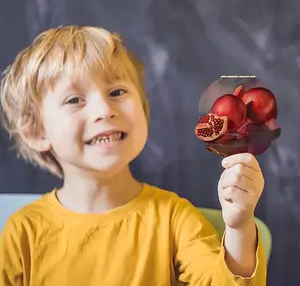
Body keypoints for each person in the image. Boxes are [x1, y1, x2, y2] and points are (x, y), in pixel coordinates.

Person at [0, 25, 266, 286]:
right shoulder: (22, 232)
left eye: (117, 92)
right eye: (74, 100)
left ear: (143, 109)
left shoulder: (174, 218)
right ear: (36, 131)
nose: (104, 110)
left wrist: (240, 227)